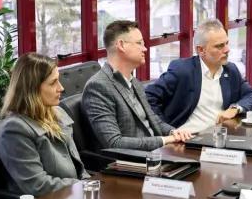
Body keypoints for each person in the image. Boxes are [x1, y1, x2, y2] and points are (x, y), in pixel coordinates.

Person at [82, 20, 193, 151]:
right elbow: (114, 143)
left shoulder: (134, 82)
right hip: (132, 164)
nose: (145, 49)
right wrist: (165, 140)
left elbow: (154, 121)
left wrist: (173, 132)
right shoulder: (98, 87)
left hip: (158, 153)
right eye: (139, 43)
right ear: (121, 45)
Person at [0, 53, 89, 197]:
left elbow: (79, 169)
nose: (61, 88)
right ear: (32, 89)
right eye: (53, 83)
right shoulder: (15, 130)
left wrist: (92, 187)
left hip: (73, 196)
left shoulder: (57, 112)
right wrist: (83, 187)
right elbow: (38, 185)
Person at [145, 19, 252, 131]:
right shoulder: (182, 71)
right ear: (201, 50)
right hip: (187, 141)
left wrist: (235, 108)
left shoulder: (230, 71)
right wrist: (167, 130)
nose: (227, 50)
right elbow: (148, 97)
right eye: (219, 46)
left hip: (220, 137)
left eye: (227, 43)